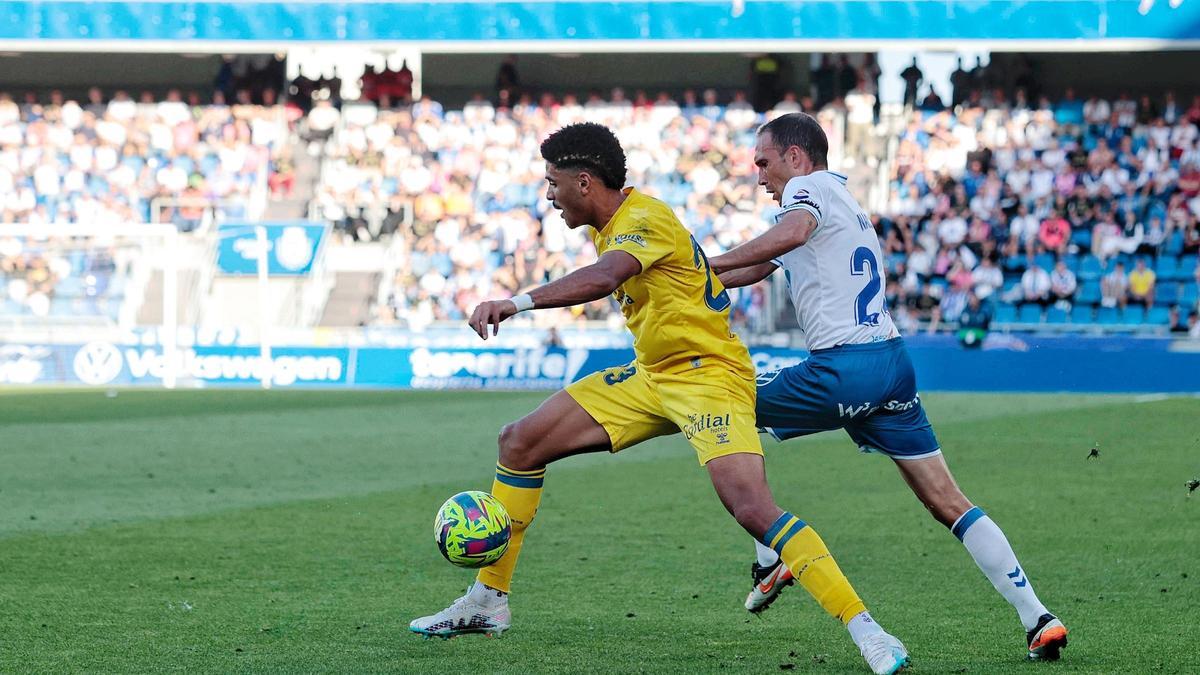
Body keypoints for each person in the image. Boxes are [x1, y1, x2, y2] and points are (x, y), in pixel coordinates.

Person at [408, 122, 909, 675]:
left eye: (553, 183)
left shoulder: (642, 218)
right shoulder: (609, 224)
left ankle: (868, 630)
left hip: (709, 377)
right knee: (520, 442)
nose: (548, 195)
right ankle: (487, 601)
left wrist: (518, 301)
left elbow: (606, 278)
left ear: (584, 182)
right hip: (652, 375)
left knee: (752, 509)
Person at [709, 113, 1069, 662]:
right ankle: (1038, 617)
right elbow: (758, 266)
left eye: (764, 162)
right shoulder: (840, 200)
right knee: (947, 500)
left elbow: (790, 233)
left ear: (795, 156)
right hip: (891, 364)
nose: (759, 176)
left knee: (720, 402)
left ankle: (770, 554)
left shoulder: (806, 192)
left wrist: (706, 261)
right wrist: (693, 276)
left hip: (843, 367)